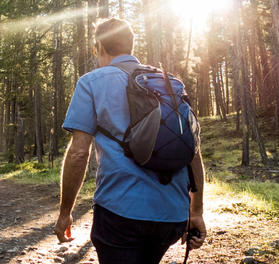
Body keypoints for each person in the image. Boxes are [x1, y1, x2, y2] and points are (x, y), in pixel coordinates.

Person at [53, 17, 206, 264]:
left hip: (120, 213)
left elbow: (78, 153)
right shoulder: (170, 84)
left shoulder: (91, 82)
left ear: (99, 48)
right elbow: (193, 152)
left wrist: (65, 214)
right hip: (172, 216)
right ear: (131, 46)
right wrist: (196, 212)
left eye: (94, 50)